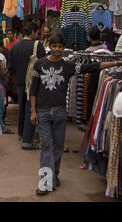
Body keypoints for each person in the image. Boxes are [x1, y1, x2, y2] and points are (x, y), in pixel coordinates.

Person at [30, 34, 122, 196]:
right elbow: (33, 89)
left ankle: (54, 175)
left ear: (62, 47)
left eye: (60, 46)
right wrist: (32, 111)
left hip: (60, 112)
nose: (57, 49)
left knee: (58, 146)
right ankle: (45, 182)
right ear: (49, 46)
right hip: (43, 111)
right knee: (46, 146)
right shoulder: (39, 64)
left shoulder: (68, 65)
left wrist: (116, 63)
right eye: (54, 46)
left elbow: (91, 68)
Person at [8, 22, 46, 149]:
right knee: (31, 108)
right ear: (33, 32)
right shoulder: (37, 46)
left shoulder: (14, 47)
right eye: (37, 32)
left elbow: (10, 68)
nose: (37, 35)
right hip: (33, 83)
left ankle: (21, 133)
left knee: (22, 107)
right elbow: (44, 65)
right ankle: (27, 139)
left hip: (19, 82)